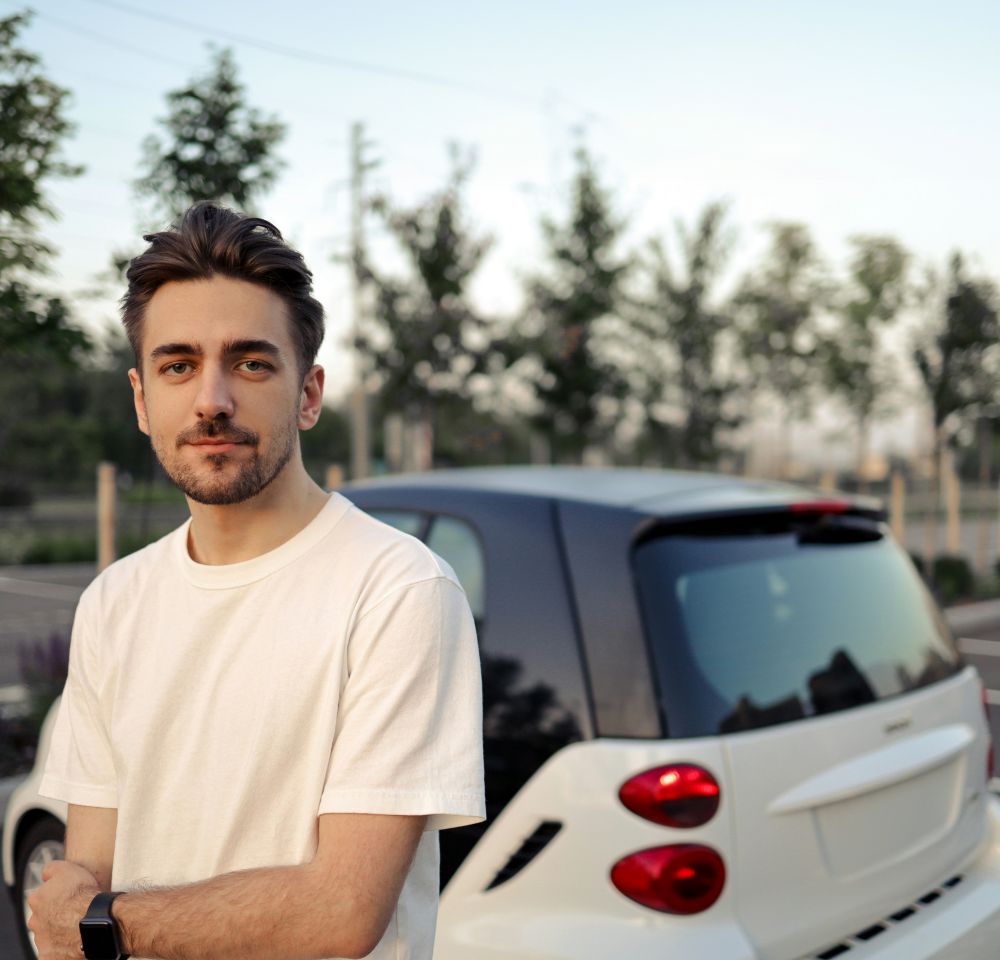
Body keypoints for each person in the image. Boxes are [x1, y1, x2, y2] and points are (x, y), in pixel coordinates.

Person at [28, 202, 486, 960]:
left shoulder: (397, 589)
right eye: (178, 365)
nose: (212, 400)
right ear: (143, 401)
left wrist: (102, 923)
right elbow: (89, 865)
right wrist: (86, 909)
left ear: (308, 394)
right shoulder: (116, 601)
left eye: (250, 362)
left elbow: (339, 915)